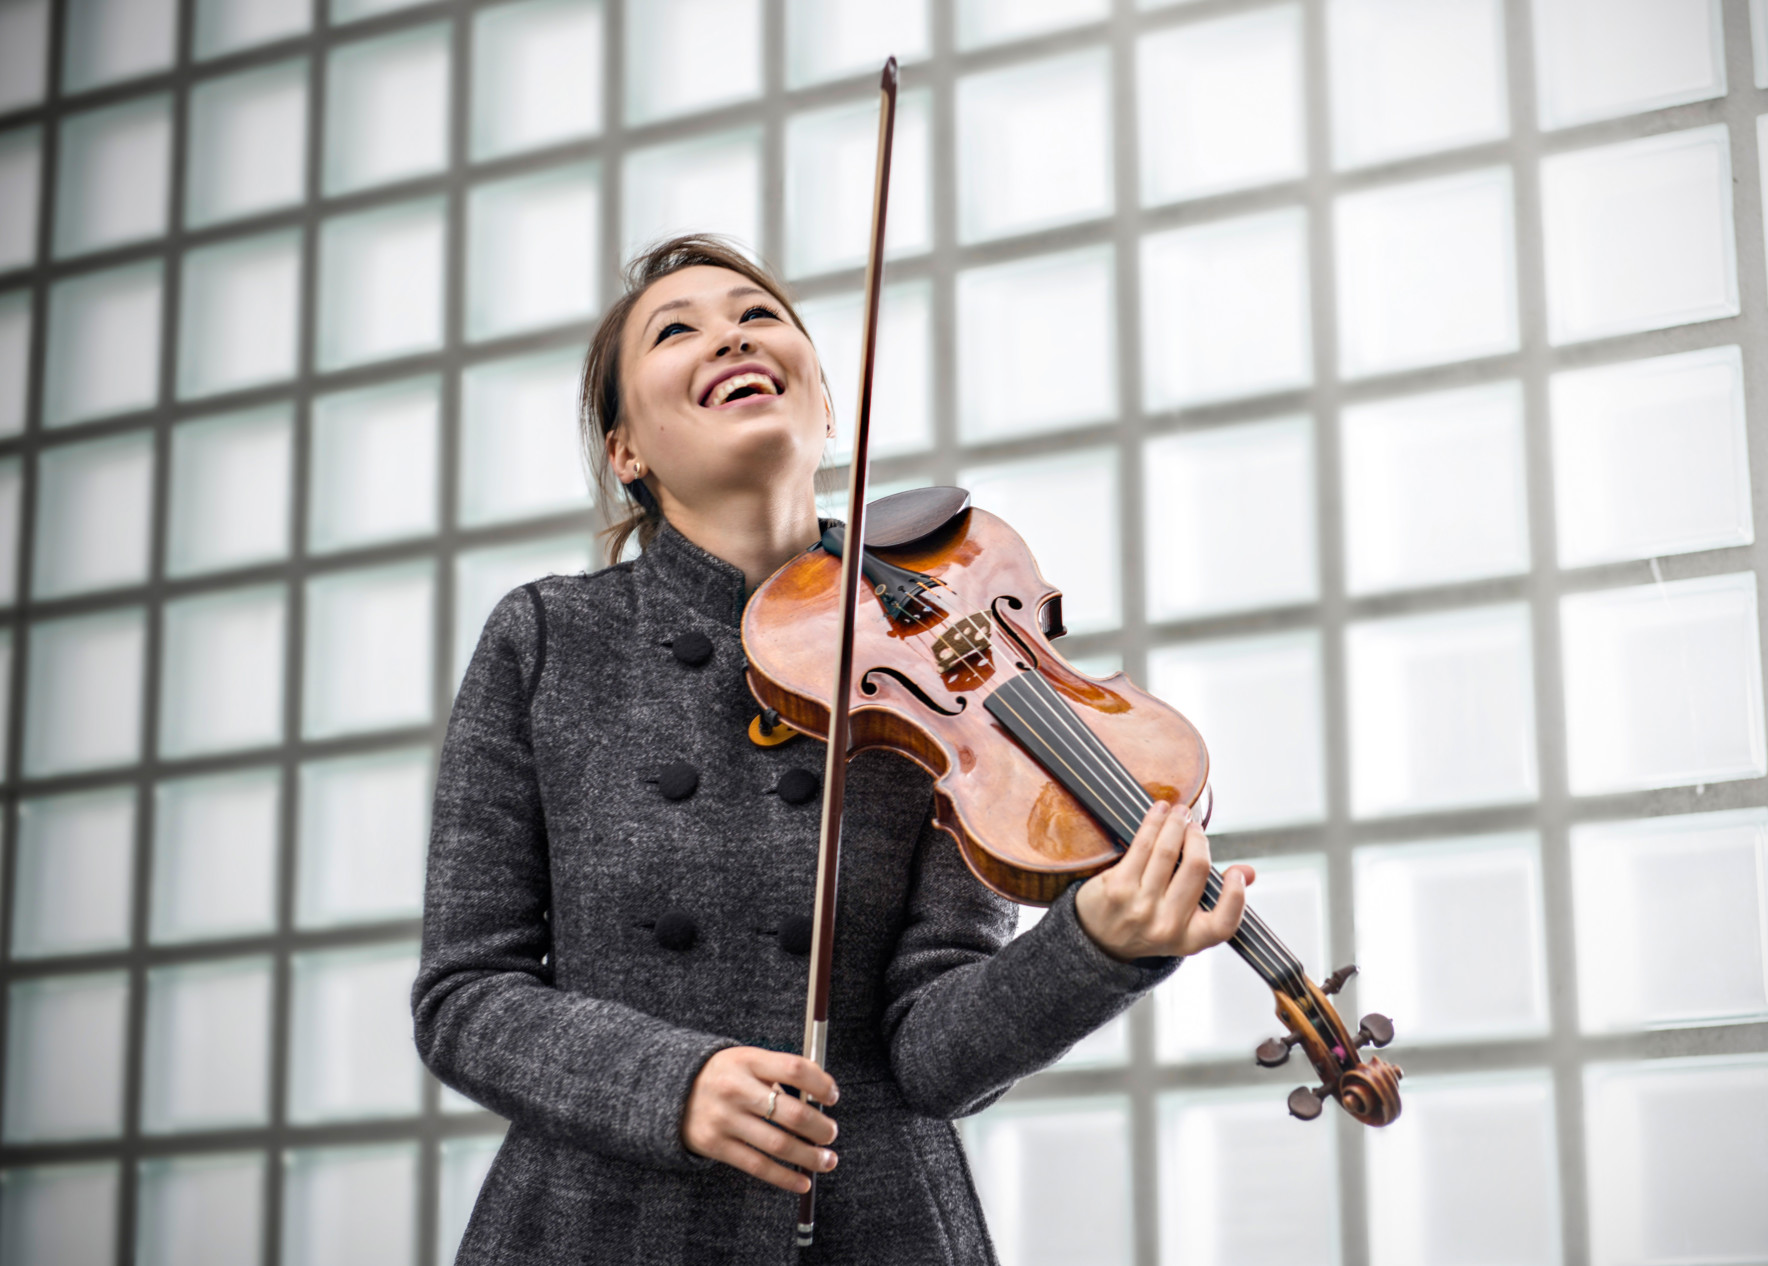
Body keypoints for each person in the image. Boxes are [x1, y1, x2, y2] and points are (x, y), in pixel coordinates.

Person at [413, 234, 1255, 1265]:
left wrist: (1095, 949)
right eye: (677, 330)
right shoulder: (548, 639)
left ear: (823, 405)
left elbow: (936, 1055)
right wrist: (673, 1084)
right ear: (627, 448)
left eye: (759, 316)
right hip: (600, 1225)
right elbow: (466, 996)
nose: (729, 332)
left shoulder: (949, 658)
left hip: (871, 1225)